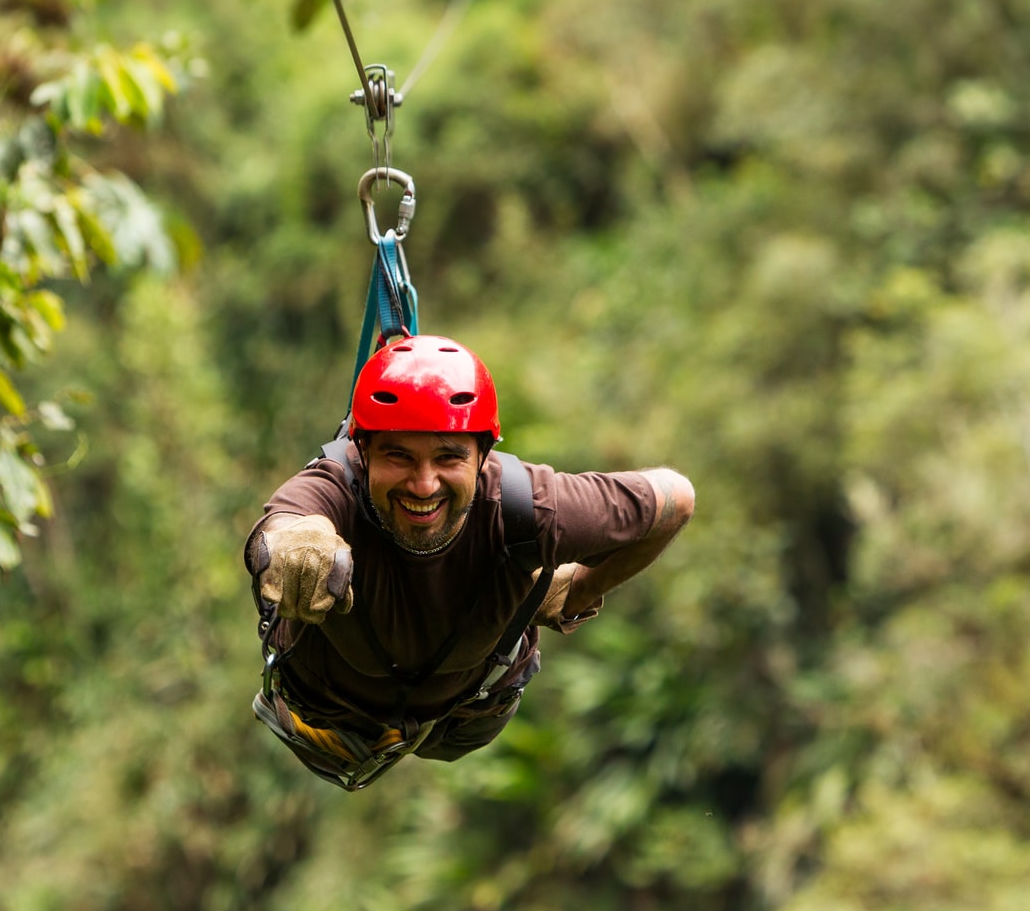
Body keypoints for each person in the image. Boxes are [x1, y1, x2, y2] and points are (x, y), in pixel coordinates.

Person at [244, 334, 695, 789]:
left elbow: (675, 499)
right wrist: (299, 548)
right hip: (328, 717)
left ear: (483, 456)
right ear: (362, 452)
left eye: (449, 457)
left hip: (467, 715)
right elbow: (284, 524)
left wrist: (577, 589)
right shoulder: (335, 489)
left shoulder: (531, 508)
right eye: (398, 455)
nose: (423, 485)